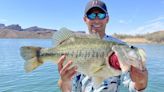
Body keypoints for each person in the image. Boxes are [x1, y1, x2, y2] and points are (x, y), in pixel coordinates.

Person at [57, 0, 148, 92]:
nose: (96, 20)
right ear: (85, 19)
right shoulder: (72, 45)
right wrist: (64, 81)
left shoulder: (121, 49)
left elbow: (134, 87)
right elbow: (66, 89)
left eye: (101, 15)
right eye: (91, 15)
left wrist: (141, 81)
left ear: (107, 19)